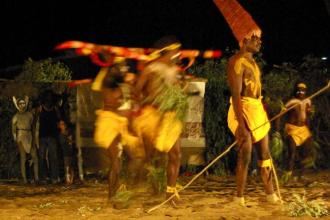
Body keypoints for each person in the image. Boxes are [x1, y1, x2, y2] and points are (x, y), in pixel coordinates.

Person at [213, 0, 279, 206]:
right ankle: (239, 197)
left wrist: (267, 106)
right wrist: (241, 125)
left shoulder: (253, 62)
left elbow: (256, 91)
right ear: (244, 40)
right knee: (246, 151)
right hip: (241, 109)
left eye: (259, 38)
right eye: (255, 38)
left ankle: (270, 194)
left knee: (265, 153)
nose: (259, 42)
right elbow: (235, 94)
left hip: (256, 108)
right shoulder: (236, 61)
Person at [133, 36, 188, 206]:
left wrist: (181, 90)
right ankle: (138, 185)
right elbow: (137, 90)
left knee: (175, 153)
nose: (179, 53)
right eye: (176, 50)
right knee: (151, 156)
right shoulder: (151, 68)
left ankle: (170, 192)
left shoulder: (175, 70)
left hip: (170, 116)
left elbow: (179, 90)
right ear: (169, 51)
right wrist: (148, 101)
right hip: (153, 116)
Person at [92, 60, 145, 199]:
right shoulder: (108, 82)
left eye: (126, 66)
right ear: (113, 68)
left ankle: (125, 187)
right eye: (122, 66)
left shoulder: (121, 84)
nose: (125, 69)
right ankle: (111, 195)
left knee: (135, 157)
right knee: (116, 161)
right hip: (109, 124)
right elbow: (111, 76)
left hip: (121, 125)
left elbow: (136, 92)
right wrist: (112, 63)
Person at [278, 83, 313, 182]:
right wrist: (278, 130)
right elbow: (280, 115)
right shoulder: (291, 102)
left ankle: (301, 175)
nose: (300, 92)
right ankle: (287, 176)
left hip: (303, 129)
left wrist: (308, 128)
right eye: (298, 90)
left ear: (305, 91)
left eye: (302, 90)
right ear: (296, 91)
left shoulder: (308, 101)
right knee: (292, 154)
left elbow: (308, 116)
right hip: (292, 129)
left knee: (307, 153)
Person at [12, 96, 39, 184]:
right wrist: (15, 137)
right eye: (20, 103)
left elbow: (33, 126)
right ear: (18, 105)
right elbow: (13, 128)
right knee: (23, 158)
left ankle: (37, 178)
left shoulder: (29, 114)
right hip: (21, 136)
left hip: (29, 136)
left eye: (23, 103)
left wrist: (34, 138)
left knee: (35, 157)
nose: (22, 105)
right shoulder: (16, 116)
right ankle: (24, 179)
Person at [36, 90, 61, 184]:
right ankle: (43, 178)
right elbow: (35, 122)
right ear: (45, 98)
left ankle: (54, 177)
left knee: (53, 158)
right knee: (42, 158)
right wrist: (35, 136)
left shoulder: (55, 108)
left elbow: (59, 121)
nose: (49, 99)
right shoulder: (40, 108)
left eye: (50, 97)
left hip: (52, 136)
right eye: (48, 97)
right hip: (42, 136)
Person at [58, 120, 74, 184]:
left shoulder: (69, 133)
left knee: (71, 165)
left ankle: (71, 179)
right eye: (61, 124)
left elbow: (72, 141)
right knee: (67, 166)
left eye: (63, 124)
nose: (62, 125)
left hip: (71, 151)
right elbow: (63, 143)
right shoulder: (60, 135)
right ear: (59, 126)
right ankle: (68, 179)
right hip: (65, 152)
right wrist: (69, 140)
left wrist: (70, 141)